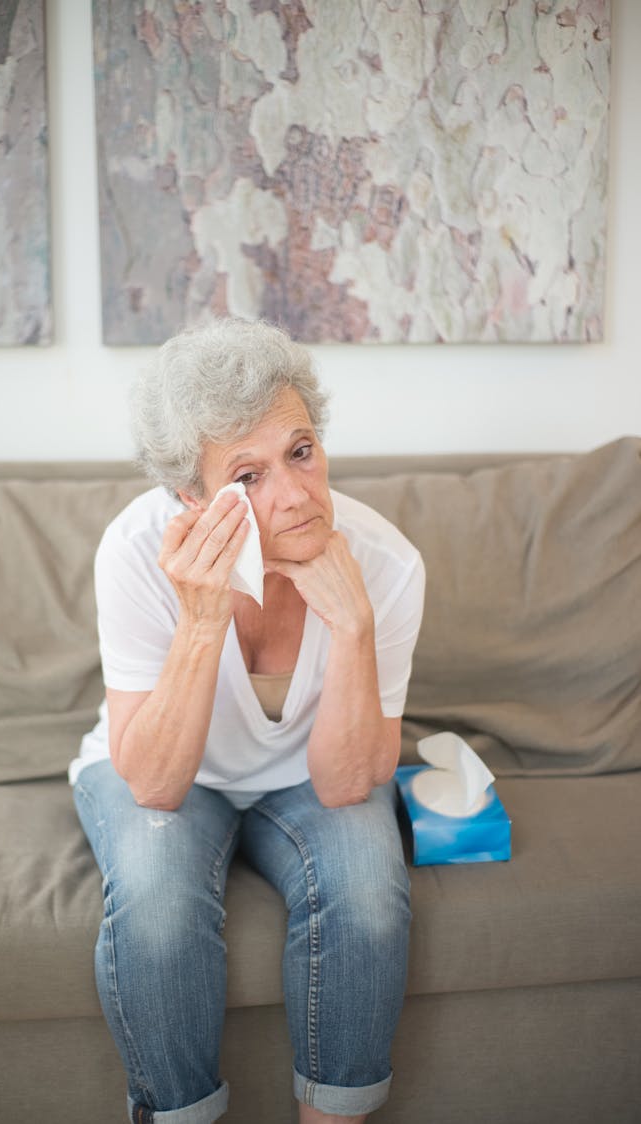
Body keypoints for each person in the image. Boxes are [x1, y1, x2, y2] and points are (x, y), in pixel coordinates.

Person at [70, 317, 425, 1124]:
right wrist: (201, 622)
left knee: (370, 893)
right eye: (249, 475)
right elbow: (154, 785)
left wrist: (356, 629)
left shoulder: (389, 563)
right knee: (158, 908)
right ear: (192, 497)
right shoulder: (133, 553)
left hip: (306, 776)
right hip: (170, 772)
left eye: (300, 452)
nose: (296, 494)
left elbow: (345, 786)